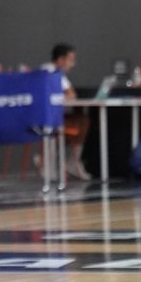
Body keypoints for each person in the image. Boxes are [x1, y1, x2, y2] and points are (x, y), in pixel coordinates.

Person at [41, 43, 90, 180]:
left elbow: (70, 94)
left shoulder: (55, 72)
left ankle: (71, 162)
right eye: (71, 60)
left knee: (82, 121)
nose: (73, 64)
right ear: (61, 60)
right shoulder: (51, 72)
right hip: (46, 121)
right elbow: (71, 94)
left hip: (53, 117)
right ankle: (58, 161)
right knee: (80, 122)